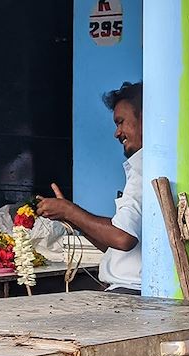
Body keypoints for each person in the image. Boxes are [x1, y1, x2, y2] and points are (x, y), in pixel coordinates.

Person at [37, 81, 143, 295]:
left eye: (121, 122)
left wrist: (70, 210)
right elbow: (113, 245)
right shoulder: (140, 169)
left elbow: (123, 238)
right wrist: (71, 219)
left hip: (131, 292)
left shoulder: (144, 171)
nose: (117, 133)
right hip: (123, 289)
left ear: (145, 119)